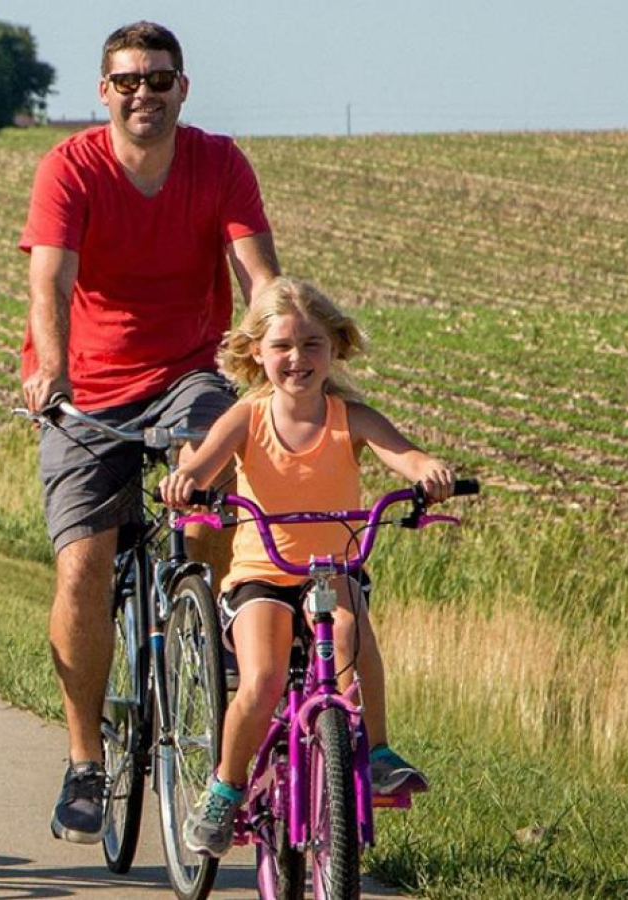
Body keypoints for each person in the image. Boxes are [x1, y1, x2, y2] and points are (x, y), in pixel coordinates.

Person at [19, 20, 282, 843]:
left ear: (183, 88)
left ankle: (208, 635)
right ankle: (87, 761)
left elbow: (258, 275)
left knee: (210, 496)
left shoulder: (219, 162)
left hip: (188, 371)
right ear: (104, 92)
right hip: (86, 389)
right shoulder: (70, 167)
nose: (145, 93)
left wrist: (277, 350)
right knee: (83, 567)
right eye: (128, 80)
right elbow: (50, 280)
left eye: (159, 79)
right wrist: (51, 369)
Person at [158, 277, 458, 857]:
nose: (298, 359)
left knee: (350, 625)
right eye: (283, 346)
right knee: (264, 676)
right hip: (261, 575)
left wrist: (428, 470)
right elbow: (201, 465)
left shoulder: (352, 418)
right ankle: (224, 786)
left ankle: (373, 752)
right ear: (257, 353)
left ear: (335, 348)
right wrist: (186, 482)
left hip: (331, 566)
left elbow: (404, 453)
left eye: (312, 344)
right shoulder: (247, 418)